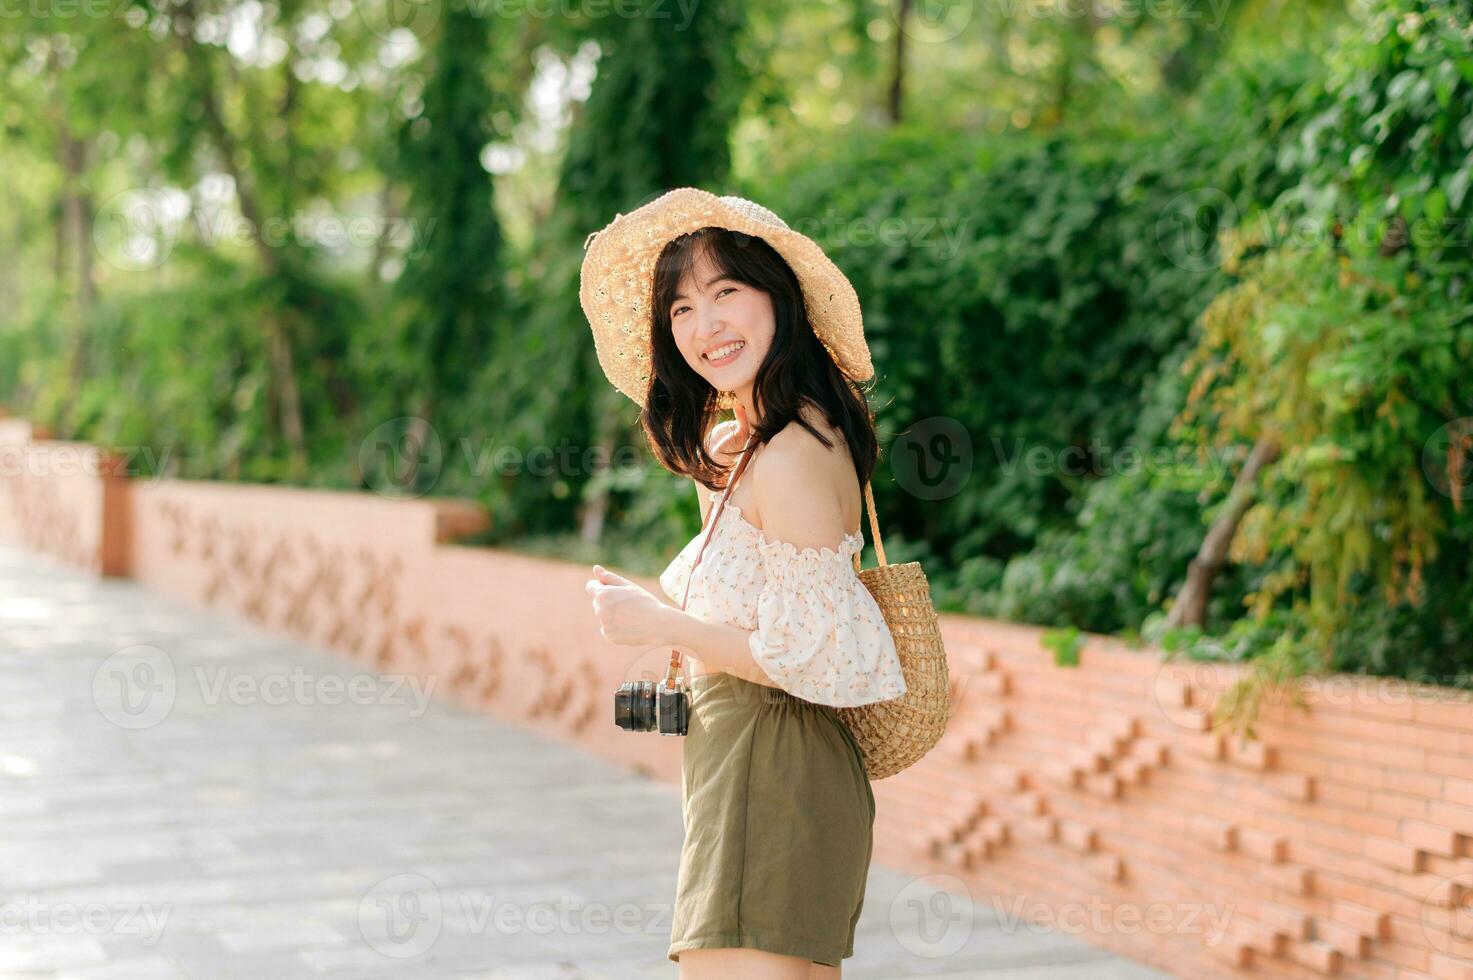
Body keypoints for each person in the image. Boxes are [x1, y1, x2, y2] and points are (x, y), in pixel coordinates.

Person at [580, 189, 907, 978]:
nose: (705, 325)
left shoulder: (792, 453)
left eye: (727, 292)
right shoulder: (752, 445)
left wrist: (657, 622)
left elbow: (812, 657)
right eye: (682, 308)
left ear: (778, 297)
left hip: (774, 761)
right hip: (741, 762)